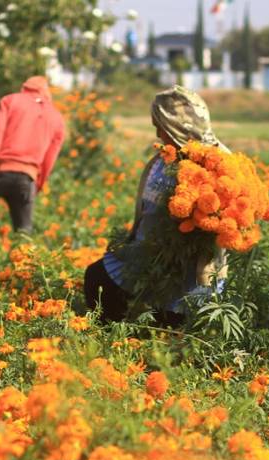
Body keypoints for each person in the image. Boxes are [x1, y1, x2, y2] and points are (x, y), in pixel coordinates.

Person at [82, 86, 227, 327]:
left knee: (170, 324)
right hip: (148, 259)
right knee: (98, 277)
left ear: (177, 126)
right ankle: (118, 339)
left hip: (187, 276)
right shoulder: (165, 158)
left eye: (161, 126)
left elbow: (211, 236)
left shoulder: (215, 166)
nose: (158, 133)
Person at [0, 76, 65, 233]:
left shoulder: (9, 101)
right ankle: (24, 254)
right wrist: (37, 184)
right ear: (47, 92)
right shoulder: (57, 118)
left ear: (25, 87)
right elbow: (50, 158)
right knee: (24, 232)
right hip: (27, 179)